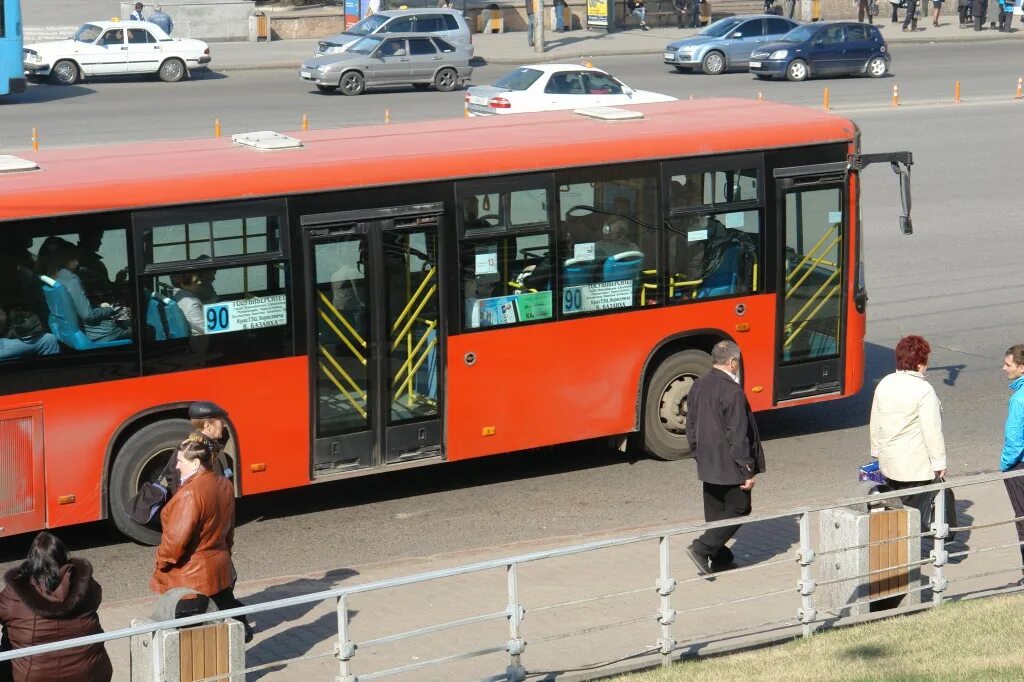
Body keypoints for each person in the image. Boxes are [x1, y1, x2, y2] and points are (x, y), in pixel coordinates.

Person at [151, 433, 253, 642]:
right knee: (217, 630)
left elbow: (175, 544)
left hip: (191, 580)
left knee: (190, 638)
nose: (177, 466)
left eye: (180, 461)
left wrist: (160, 561)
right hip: (219, 571)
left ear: (196, 462)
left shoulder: (189, 494)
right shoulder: (224, 484)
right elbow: (229, 532)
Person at [684, 341, 766, 576]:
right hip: (730, 465)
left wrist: (697, 453)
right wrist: (747, 470)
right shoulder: (732, 391)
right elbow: (738, 434)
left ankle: (721, 559)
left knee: (717, 512)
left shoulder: (698, 385)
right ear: (732, 362)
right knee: (740, 508)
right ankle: (700, 548)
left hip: (707, 461)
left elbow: (690, 425)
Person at [0, 532, 113, 682]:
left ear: (32, 561)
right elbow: (96, 599)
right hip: (91, 674)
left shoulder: (14, 593)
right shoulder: (86, 585)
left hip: (35, 677)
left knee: (9, 633)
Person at [869, 335, 946, 527]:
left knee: (895, 512)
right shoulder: (924, 390)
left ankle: (897, 550)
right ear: (920, 363)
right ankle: (914, 552)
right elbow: (932, 431)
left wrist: (876, 452)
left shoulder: (885, 383)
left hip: (888, 464)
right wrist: (939, 463)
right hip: (915, 468)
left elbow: (875, 421)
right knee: (914, 517)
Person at [37, 237, 131, 343]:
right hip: (103, 333)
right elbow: (88, 316)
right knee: (146, 328)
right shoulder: (72, 280)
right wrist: (111, 309)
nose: (77, 263)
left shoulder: (50, 277)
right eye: (73, 258)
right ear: (62, 258)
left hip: (77, 332)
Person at [999, 344, 1024, 586]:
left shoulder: (1018, 400)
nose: (1004, 368)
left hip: (1019, 468)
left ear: (1022, 367)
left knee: (1023, 520)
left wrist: (1005, 466)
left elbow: (1014, 441)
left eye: (1008, 364)